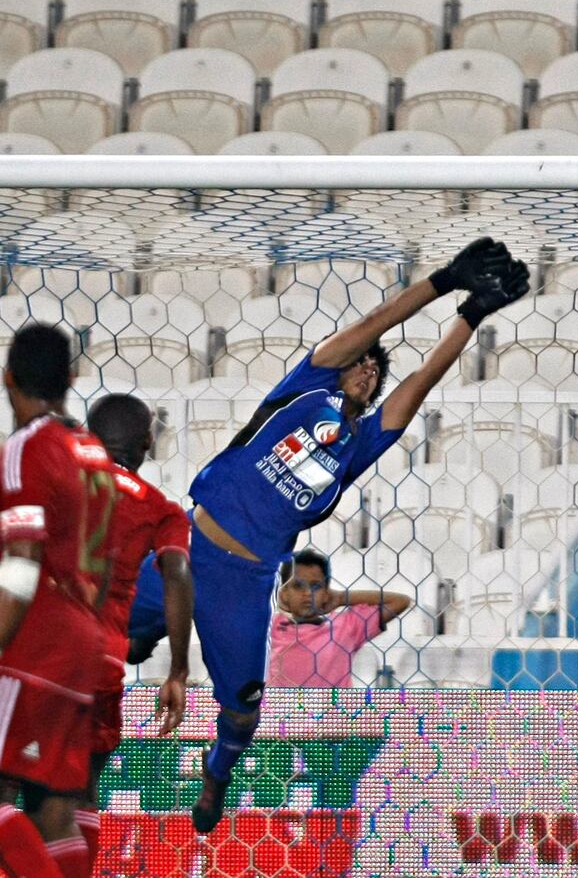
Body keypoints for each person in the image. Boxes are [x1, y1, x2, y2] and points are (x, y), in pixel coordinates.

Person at [188, 237, 530, 831]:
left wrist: (469, 318)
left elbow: (418, 384)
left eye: (376, 371)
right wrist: (446, 280)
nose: (369, 370)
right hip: (187, 544)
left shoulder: (358, 445)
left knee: (243, 712)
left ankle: (217, 771)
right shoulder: (306, 383)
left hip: (243, 582)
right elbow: (376, 322)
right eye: (364, 361)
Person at [0, 324, 117, 878]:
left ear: (7, 379)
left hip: (34, 643)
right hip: (83, 643)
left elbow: (21, 566)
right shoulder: (93, 449)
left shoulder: (25, 447)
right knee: (53, 806)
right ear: (71, 378)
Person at [73, 393, 194, 870]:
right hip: (99, 661)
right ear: (147, 441)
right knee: (81, 792)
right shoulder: (161, 509)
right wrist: (179, 670)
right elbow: (179, 574)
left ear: (87, 436)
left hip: (33, 651)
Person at [269, 548, 410, 687]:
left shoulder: (346, 626)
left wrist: (341, 597)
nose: (307, 593)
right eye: (298, 586)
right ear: (285, 593)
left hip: (334, 708)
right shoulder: (270, 627)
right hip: (284, 707)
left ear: (326, 592)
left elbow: (401, 601)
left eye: (315, 586)